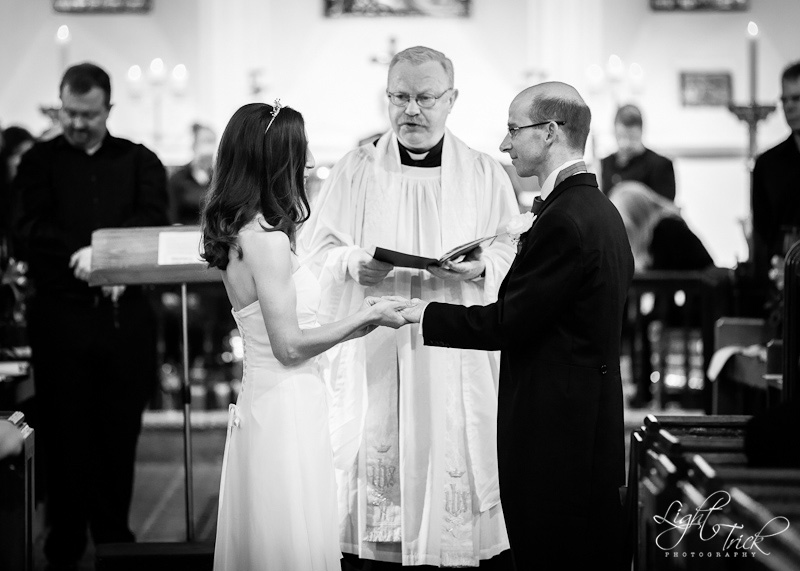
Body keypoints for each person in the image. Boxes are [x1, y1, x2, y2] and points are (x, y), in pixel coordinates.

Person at [400, 82, 635, 570]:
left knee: (553, 553)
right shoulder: (596, 210)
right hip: (583, 418)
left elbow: (509, 323)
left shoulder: (565, 219)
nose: (505, 144)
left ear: (549, 133)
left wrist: (420, 313)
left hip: (556, 432)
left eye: (513, 130)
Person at [300, 46, 518, 569]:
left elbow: (512, 245)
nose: (411, 110)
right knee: (381, 451)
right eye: (400, 97)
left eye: (424, 97)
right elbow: (314, 250)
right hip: (380, 345)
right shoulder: (355, 170)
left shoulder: (485, 173)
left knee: (453, 446)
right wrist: (354, 262)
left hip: (453, 346)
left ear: (451, 100)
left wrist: (482, 265)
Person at [202, 101, 408, 571]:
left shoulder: (238, 233)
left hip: (265, 400)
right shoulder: (267, 242)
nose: (311, 162)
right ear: (274, 160)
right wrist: (366, 318)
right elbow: (290, 346)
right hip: (286, 404)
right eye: (302, 151)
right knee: (289, 545)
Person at [13, 62, 168, 570]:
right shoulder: (38, 161)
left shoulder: (140, 160)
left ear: (109, 109)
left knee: (118, 435)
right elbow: (25, 230)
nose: (77, 124)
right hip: (60, 320)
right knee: (62, 434)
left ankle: (115, 543)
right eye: (70, 113)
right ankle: (63, 547)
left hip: (125, 324)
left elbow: (153, 221)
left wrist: (111, 256)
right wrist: (79, 254)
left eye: (89, 114)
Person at [608, 180, 715, 407]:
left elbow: (664, 277)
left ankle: (644, 392)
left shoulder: (666, 227)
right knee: (644, 320)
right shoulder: (663, 225)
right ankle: (644, 391)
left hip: (703, 302)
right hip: (693, 298)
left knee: (644, 321)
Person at [752, 61, 800, 299]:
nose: (789, 107)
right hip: (782, 278)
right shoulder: (767, 164)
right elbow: (763, 229)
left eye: (797, 99)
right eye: (785, 100)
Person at [600, 104, 676, 201]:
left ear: (641, 132)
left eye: (632, 137)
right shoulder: (604, 164)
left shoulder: (660, 165)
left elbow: (665, 211)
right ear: (614, 131)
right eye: (621, 136)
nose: (625, 144)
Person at [168, 122, 216, 225]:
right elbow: (172, 216)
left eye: (212, 141)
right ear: (194, 145)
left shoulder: (220, 179)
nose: (209, 147)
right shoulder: (178, 179)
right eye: (205, 141)